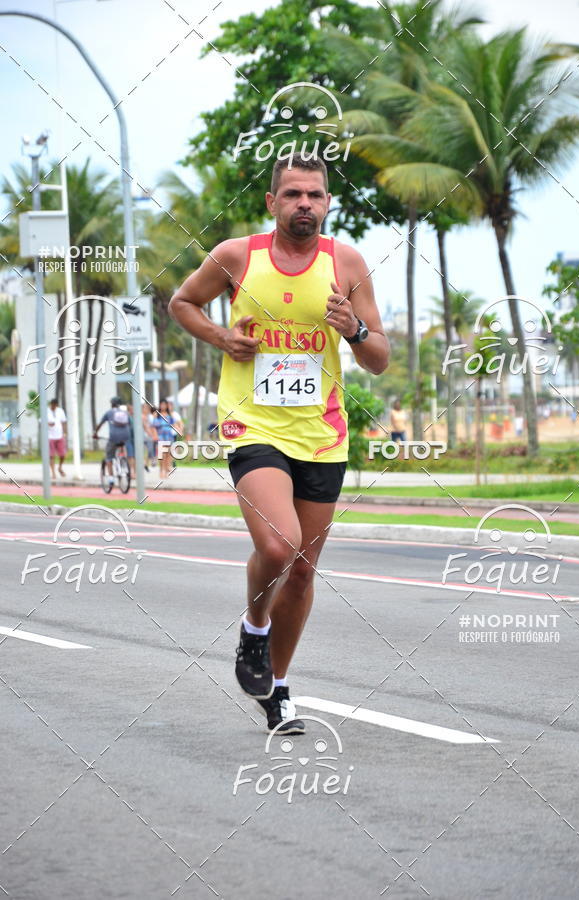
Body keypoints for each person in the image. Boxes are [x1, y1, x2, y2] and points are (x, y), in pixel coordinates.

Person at [170, 153, 389, 734]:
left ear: (327, 202)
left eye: (315, 195)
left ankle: (279, 690)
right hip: (253, 425)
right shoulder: (238, 255)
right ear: (272, 203)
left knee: (302, 572)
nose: (304, 205)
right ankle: (254, 630)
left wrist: (355, 330)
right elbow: (182, 303)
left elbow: (380, 357)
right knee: (280, 545)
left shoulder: (347, 263)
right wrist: (222, 337)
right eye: (292, 194)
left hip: (322, 434)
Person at [93, 396, 133, 485]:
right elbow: (130, 424)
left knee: (109, 456)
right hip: (126, 436)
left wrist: (95, 433)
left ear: (112, 404)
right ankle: (123, 463)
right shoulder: (125, 413)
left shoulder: (109, 413)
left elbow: (100, 424)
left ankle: (111, 478)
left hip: (114, 437)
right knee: (122, 445)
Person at [152, 398, 180, 478]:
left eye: (165, 404)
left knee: (167, 454)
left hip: (169, 435)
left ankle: (166, 469)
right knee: (162, 454)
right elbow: (153, 426)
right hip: (160, 435)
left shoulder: (169, 415)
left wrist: (179, 430)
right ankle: (161, 470)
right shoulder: (156, 414)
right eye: (162, 404)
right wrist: (155, 435)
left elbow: (174, 424)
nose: (163, 406)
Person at [48, 398, 67, 479]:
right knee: (51, 455)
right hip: (50, 436)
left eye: (55, 405)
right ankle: (53, 473)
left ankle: (60, 467)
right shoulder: (46, 411)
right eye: (52, 405)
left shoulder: (60, 411)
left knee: (62, 454)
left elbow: (64, 421)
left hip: (59, 435)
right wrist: (49, 423)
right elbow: (41, 421)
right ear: (51, 404)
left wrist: (65, 432)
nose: (54, 407)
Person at [142, 403, 157, 470]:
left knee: (150, 450)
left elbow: (153, 426)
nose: (147, 410)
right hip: (142, 436)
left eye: (148, 408)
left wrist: (154, 435)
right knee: (143, 451)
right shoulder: (140, 416)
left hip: (149, 437)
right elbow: (145, 427)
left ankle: (146, 463)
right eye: (145, 408)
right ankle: (144, 463)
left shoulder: (150, 417)